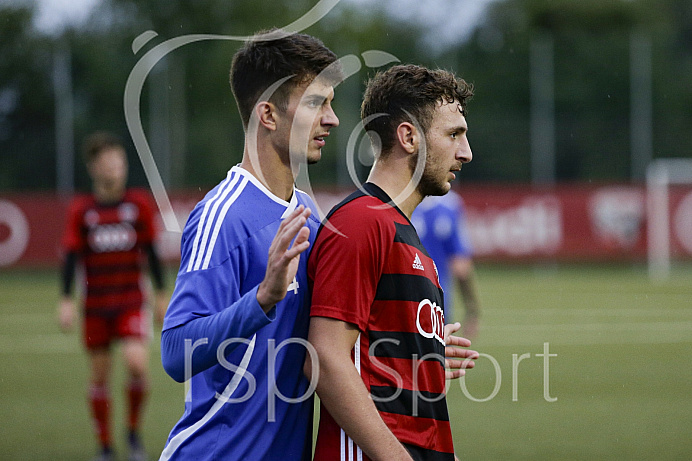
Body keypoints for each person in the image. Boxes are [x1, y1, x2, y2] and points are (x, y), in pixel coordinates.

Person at [157, 29, 341, 461]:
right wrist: (262, 298)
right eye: (316, 103)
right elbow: (175, 352)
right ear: (268, 115)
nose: (332, 120)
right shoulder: (223, 215)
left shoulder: (309, 214)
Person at [305, 64, 478, 461]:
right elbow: (325, 358)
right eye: (454, 135)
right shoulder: (362, 222)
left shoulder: (405, 235)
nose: (466, 152)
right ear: (408, 137)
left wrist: (421, 358)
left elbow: (370, 362)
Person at [58, 131, 168, 461]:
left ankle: (133, 432)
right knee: (100, 375)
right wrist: (66, 300)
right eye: (107, 162)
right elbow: (71, 257)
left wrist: (161, 295)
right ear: (93, 167)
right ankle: (105, 446)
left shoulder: (137, 205)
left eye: (119, 161)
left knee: (136, 365)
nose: (115, 168)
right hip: (95, 307)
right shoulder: (82, 210)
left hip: (131, 301)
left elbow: (150, 252)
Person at [411, 192, 481, 338]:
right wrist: (472, 311)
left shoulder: (396, 201)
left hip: (399, 303)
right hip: (436, 305)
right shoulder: (450, 205)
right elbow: (461, 267)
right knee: (436, 358)